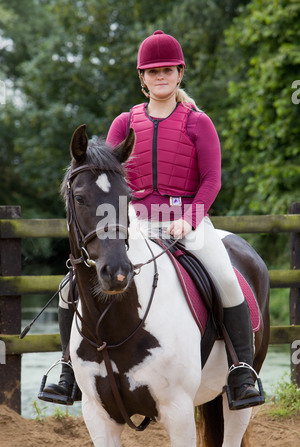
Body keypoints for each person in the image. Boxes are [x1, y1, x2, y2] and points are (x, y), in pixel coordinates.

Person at [41, 30, 263, 409]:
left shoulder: (199, 122)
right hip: (134, 224)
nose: (161, 76)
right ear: (142, 78)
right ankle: (67, 370)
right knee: (68, 286)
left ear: (180, 74)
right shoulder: (123, 123)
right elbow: (105, 183)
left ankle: (242, 370)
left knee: (227, 278)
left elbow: (212, 179)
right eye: (152, 71)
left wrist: (190, 218)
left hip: (185, 223)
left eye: (168, 70)